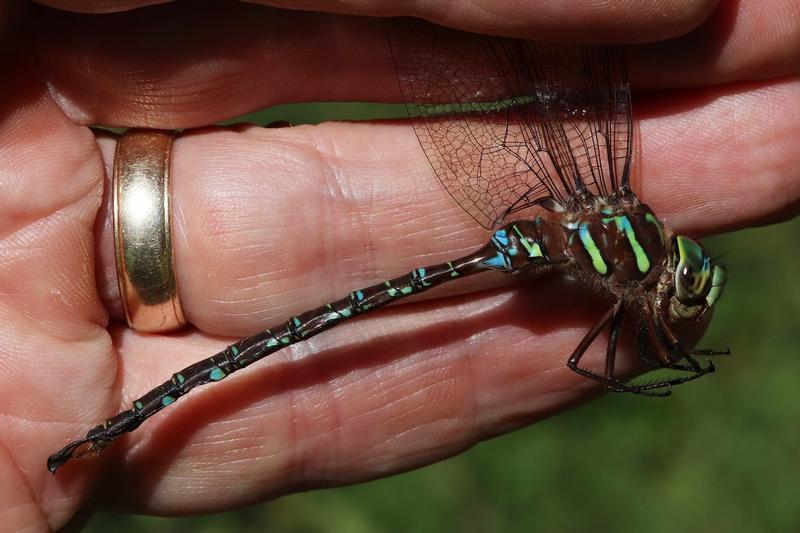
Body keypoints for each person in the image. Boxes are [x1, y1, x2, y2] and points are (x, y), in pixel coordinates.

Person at [1, 0, 798, 529]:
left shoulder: (622, 241)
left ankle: (118, 419)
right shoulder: (629, 260)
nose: (684, 289)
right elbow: (591, 361)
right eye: (689, 281)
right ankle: (143, 406)